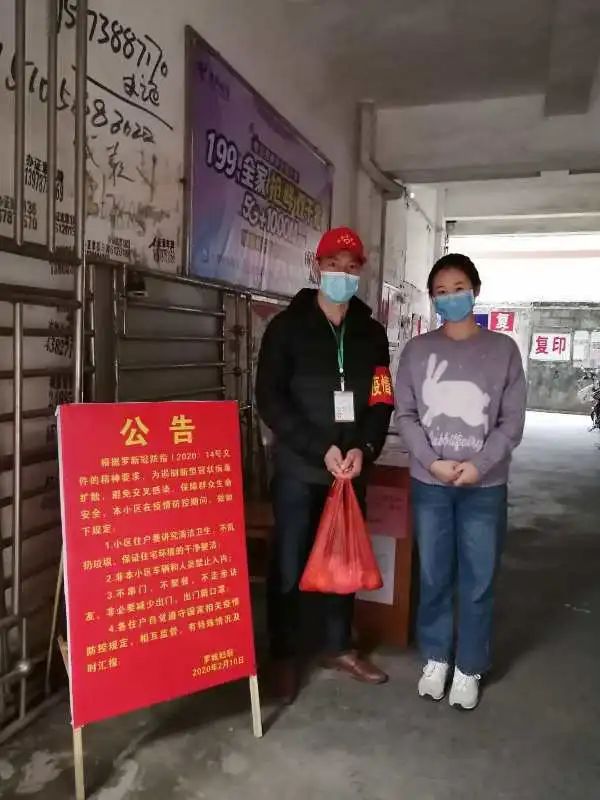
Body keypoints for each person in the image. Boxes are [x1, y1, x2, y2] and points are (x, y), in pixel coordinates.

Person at [256, 226, 394, 702]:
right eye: (334, 265)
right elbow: (270, 398)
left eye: (351, 268)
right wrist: (319, 448)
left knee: (344, 558)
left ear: (361, 273)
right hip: (300, 468)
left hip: (351, 469)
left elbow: (382, 397)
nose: (342, 275)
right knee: (289, 561)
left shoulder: (372, 334)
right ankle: (283, 655)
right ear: (318, 268)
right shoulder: (286, 328)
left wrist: (364, 449)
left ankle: (338, 646)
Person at [395, 253, 526, 710]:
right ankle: (436, 657)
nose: (451, 298)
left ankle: (469, 665)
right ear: (432, 299)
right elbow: (406, 415)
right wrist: (432, 462)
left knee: (478, 577)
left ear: (475, 291)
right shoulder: (417, 352)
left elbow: (511, 422)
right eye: (441, 292)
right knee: (433, 573)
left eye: (458, 289)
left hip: (483, 487)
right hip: (430, 483)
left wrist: (480, 465)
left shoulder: (503, 350)